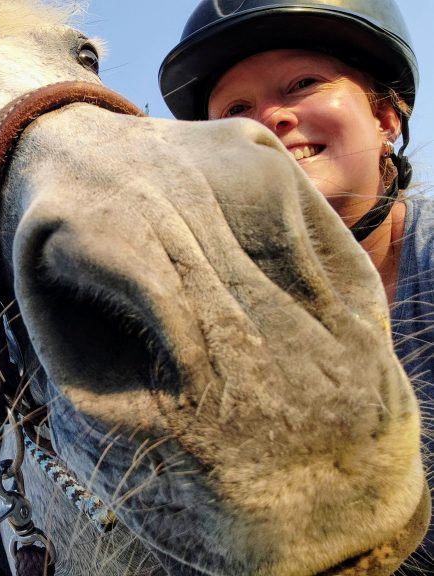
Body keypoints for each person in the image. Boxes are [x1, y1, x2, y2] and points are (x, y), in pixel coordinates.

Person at [159, 0, 433, 557]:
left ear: (386, 119)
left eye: (303, 83)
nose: (268, 120)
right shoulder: (200, 312)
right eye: (235, 110)